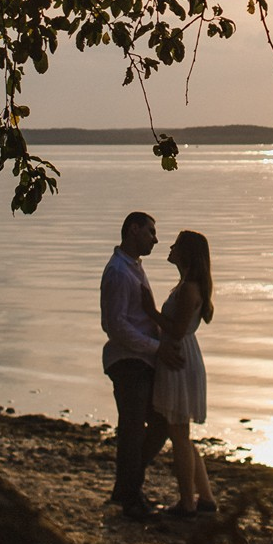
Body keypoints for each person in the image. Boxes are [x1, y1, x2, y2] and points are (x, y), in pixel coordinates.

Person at [99, 210, 180, 520]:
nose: (156, 239)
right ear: (133, 230)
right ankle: (129, 496)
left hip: (142, 359)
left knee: (157, 424)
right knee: (133, 429)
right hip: (128, 361)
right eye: (150, 232)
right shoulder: (118, 272)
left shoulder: (133, 267)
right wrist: (156, 348)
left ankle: (128, 487)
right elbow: (115, 326)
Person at [153, 228, 217, 519]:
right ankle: (205, 498)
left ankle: (187, 503)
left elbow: (176, 329)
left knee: (179, 435)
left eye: (176, 245)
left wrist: (147, 310)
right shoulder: (186, 285)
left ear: (186, 253)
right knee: (182, 434)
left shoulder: (189, 288)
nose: (170, 247)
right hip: (184, 354)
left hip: (179, 356)